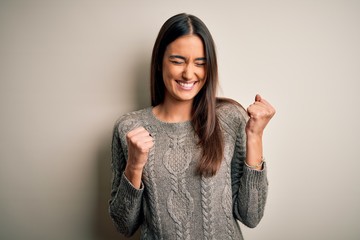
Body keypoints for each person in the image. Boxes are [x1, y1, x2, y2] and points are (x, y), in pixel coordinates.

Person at [109, 13, 275, 240]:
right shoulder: (129, 128)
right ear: (159, 62)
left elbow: (251, 216)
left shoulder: (230, 119)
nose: (189, 73)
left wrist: (255, 136)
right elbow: (124, 226)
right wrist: (135, 165)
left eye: (200, 63)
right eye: (177, 61)